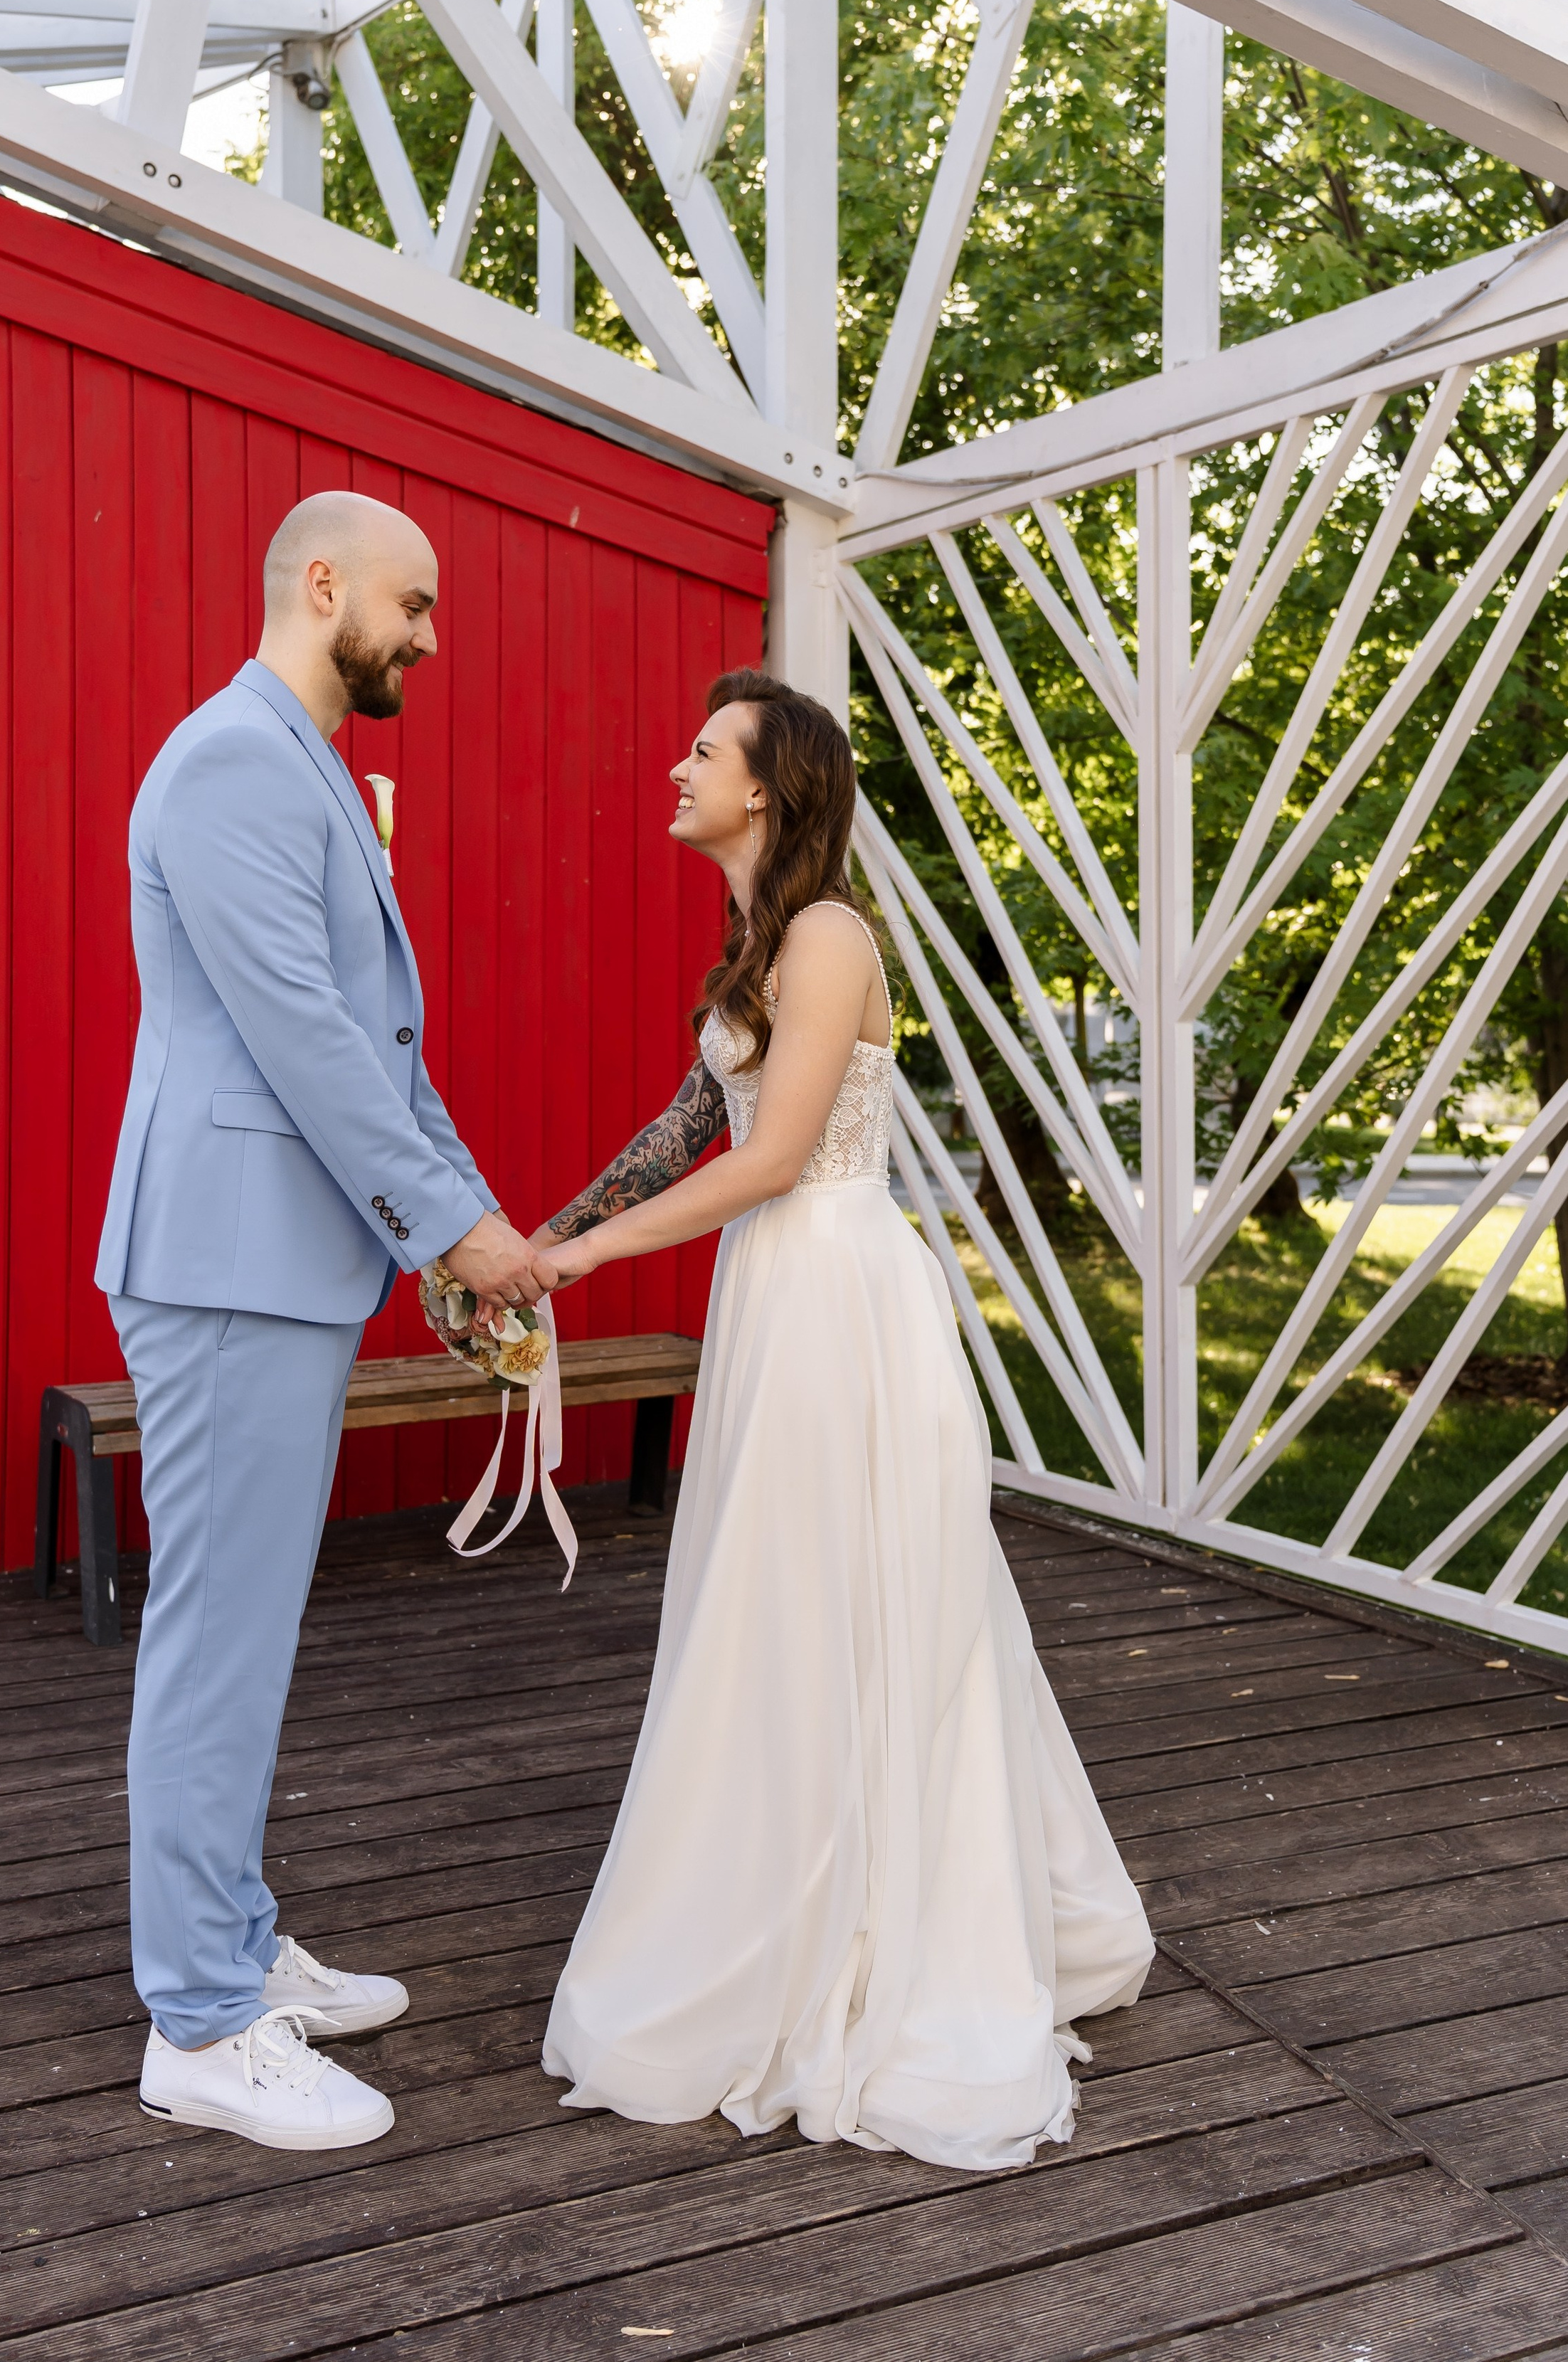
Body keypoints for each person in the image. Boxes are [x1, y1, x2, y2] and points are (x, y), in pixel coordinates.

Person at [534, 668, 1152, 2169]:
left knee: (837, 1598)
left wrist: (591, 1256)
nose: (672, 765)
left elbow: (774, 1156)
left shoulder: (824, 933)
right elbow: (695, 1126)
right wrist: (542, 1236)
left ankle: (869, 1928)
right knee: (768, 1603)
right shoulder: (753, 945)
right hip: (775, 1302)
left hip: (832, 1293)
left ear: (764, 787)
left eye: (701, 750)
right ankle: (775, 1895)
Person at [96, 490, 558, 2152]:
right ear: (322, 583)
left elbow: (384, 1050)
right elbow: (298, 1030)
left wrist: (466, 1222)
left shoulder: (298, 769)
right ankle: (203, 2028)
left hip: (278, 1257)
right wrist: (452, 1226)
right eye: (413, 606)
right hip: (225, 1258)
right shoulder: (231, 758)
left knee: (248, 1630)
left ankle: (228, 1942)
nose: (428, 639)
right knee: (215, 1639)